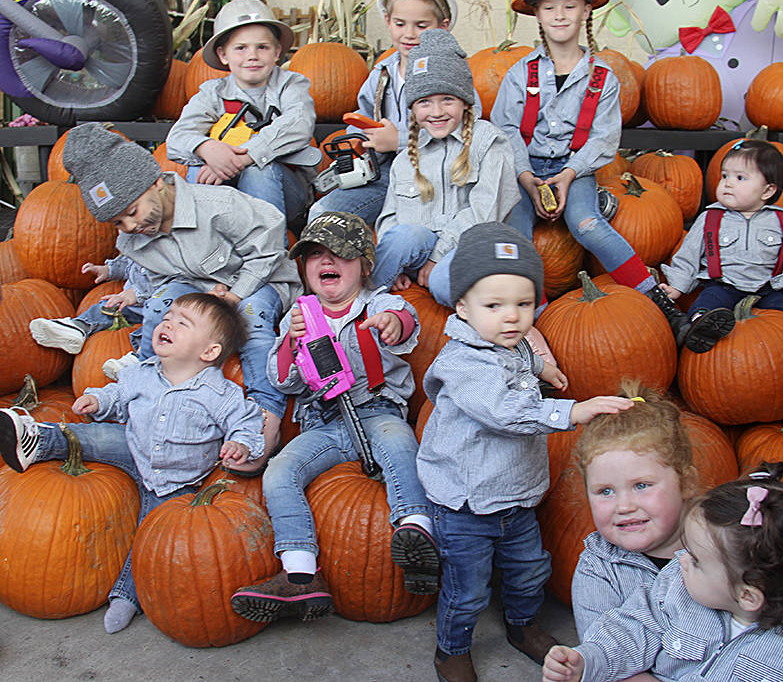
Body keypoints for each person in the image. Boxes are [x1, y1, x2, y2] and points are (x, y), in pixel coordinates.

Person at [419, 221, 634, 682]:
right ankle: (451, 648)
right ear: (462, 306)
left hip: (516, 495)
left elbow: (517, 360)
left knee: (530, 570)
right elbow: (504, 411)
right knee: (467, 589)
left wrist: (542, 367)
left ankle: (523, 625)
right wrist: (572, 410)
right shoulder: (463, 362)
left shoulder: (508, 343)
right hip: (467, 503)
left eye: (524, 304)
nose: (512, 317)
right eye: (494, 305)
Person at [0, 293, 264, 634]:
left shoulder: (222, 394)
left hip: (176, 481)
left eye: (182, 323)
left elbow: (246, 423)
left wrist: (240, 444)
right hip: (134, 449)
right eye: (168, 317)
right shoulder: (142, 372)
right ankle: (37, 440)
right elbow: (117, 395)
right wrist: (98, 400)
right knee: (92, 436)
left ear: (209, 352)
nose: (168, 324)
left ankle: (126, 596)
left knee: (149, 540)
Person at [229, 211, 435, 623]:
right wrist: (291, 343)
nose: (326, 261)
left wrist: (391, 325)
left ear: (365, 266)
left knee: (399, 443)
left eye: (339, 254)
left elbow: (407, 322)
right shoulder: (298, 316)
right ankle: (301, 572)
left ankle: (415, 531)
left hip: (375, 409)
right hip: (323, 422)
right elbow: (282, 380)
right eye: (314, 255)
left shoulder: (377, 304)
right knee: (280, 470)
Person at [62, 122, 302, 476]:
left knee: (251, 317)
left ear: (156, 184)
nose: (129, 226)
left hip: (259, 281)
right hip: (199, 289)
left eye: (132, 212)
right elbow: (162, 279)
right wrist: (160, 298)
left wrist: (235, 294)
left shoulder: (216, 205)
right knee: (161, 304)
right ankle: (146, 388)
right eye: (117, 222)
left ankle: (265, 415)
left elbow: (268, 246)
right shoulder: (134, 241)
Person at [542, 465, 783, 682]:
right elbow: (631, 628)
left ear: (747, 595)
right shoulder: (677, 591)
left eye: (695, 559)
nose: (680, 560)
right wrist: (589, 661)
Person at [491, 0, 686, 334]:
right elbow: (506, 129)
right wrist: (527, 178)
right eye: (549, 7)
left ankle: (655, 298)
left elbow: (604, 138)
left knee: (587, 224)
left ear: (585, 10)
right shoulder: (520, 73)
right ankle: (539, 316)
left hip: (574, 166)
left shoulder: (603, 78)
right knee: (514, 232)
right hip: (524, 167)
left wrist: (569, 174)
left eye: (569, 6)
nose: (559, 15)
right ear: (536, 13)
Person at [660, 139, 783, 359]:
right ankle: (701, 324)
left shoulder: (782, 221)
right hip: (726, 283)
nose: (727, 184)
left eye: (739, 178)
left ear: (767, 190)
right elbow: (688, 257)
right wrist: (677, 286)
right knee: (708, 300)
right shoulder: (711, 218)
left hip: (768, 286)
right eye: (724, 176)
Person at [371, 28, 520, 310]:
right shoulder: (406, 158)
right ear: (413, 108)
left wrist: (437, 256)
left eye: (447, 99)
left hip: (467, 248)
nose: (437, 112)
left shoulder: (490, 143)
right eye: (425, 102)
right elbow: (389, 219)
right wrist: (395, 264)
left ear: (465, 101)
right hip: (420, 249)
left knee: (443, 280)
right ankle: (365, 305)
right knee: (403, 237)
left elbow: (484, 214)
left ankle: (494, 317)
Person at [308, 0, 467, 225]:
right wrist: (359, 141)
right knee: (322, 215)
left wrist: (399, 141)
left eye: (422, 26)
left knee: (403, 231)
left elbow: (465, 135)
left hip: (433, 179)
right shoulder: (382, 73)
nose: (409, 34)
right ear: (387, 21)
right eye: (400, 23)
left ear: (443, 26)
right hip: (384, 175)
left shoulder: (454, 76)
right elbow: (363, 113)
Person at [166, 0, 321, 231]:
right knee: (199, 173)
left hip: (285, 192)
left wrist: (243, 157)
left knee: (258, 170)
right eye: (241, 48)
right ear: (223, 55)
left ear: (277, 52)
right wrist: (206, 148)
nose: (252, 55)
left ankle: (268, 250)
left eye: (262, 47)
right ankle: (204, 244)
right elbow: (177, 138)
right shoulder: (213, 92)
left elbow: (298, 125)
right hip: (227, 190)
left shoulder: (291, 85)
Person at [571, 382, 697, 645]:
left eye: (641, 486)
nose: (624, 506)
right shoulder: (597, 571)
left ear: (686, 483)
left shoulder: (722, 547)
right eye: (605, 491)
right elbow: (603, 655)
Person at [29, 254, 150, 380]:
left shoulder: (163, 249)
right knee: (107, 307)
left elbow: (164, 281)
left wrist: (136, 293)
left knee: (155, 329)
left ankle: (139, 359)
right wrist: (109, 270)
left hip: (158, 310)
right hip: (132, 304)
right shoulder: (141, 246)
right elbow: (130, 262)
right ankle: (79, 327)